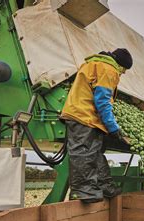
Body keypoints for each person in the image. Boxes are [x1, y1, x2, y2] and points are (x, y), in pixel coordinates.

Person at [60, 48, 133, 203]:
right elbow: (102, 101)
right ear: (120, 64)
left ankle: (103, 185)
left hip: (89, 117)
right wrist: (113, 127)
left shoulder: (96, 64)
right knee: (83, 152)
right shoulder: (108, 69)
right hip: (82, 115)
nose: (124, 73)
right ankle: (83, 191)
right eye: (125, 69)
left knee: (95, 153)